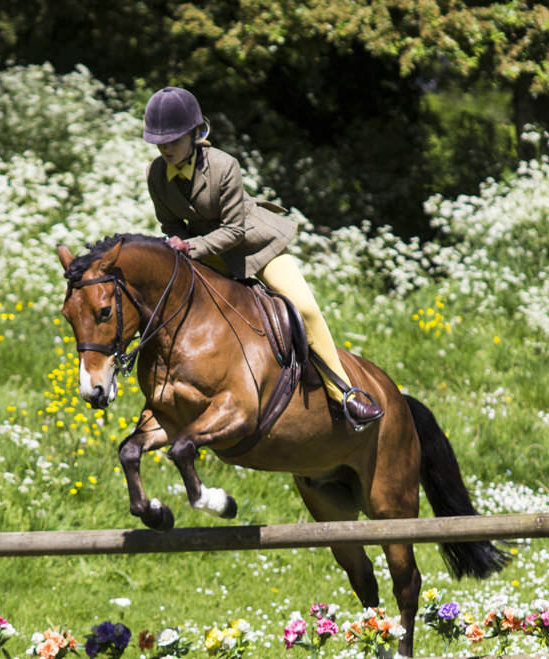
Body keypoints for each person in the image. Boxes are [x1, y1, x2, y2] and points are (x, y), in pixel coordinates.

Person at [142, 85, 384, 429]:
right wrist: (175, 243)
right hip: (207, 256)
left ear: (196, 134)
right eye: (159, 142)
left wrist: (190, 248)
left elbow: (233, 232)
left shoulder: (225, 166)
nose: (164, 148)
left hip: (255, 247)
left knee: (306, 309)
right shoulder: (156, 174)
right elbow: (169, 222)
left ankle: (345, 393)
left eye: (173, 140)